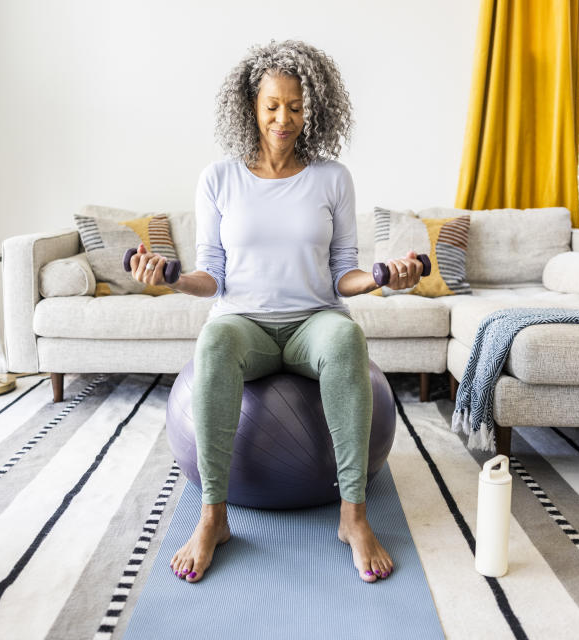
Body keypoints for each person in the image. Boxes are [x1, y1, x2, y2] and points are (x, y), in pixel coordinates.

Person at [128, 39, 424, 584]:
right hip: (245, 325)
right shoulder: (219, 178)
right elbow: (210, 273)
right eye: (272, 105)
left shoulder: (332, 177)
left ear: (314, 109)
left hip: (315, 320)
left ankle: (353, 517)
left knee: (346, 341)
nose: (283, 118)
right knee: (214, 341)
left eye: (295, 105)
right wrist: (169, 277)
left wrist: (384, 276)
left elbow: (344, 273)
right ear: (251, 106)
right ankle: (214, 517)